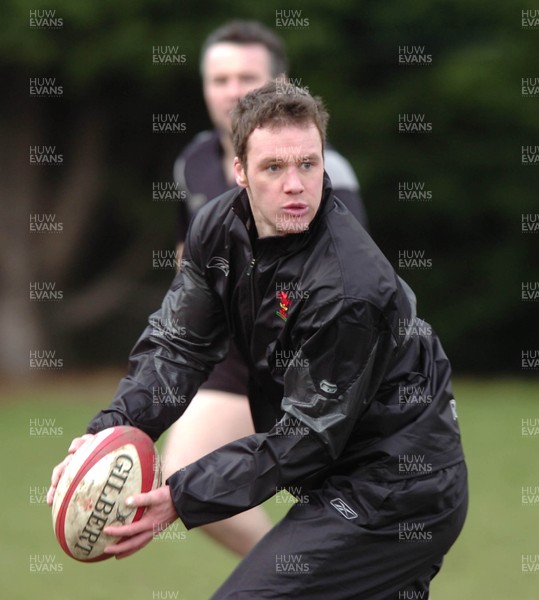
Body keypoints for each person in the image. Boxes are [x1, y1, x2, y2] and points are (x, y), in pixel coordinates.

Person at [48, 82, 467, 599]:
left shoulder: (349, 289)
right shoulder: (220, 228)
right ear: (240, 171)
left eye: (308, 165)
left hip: (397, 491)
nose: (295, 184)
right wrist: (112, 430)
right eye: (274, 167)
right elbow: (179, 345)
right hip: (342, 477)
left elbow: (306, 437)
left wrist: (181, 497)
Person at [164, 19, 367, 556]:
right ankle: (297, 573)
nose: (231, 90)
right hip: (233, 355)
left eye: (246, 77)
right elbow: (193, 256)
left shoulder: (327, 172)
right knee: (183, 476)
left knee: (342, 495)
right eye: (219, 78)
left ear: (279, 82)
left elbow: (349, 281)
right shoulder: (193, 163)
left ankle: (318, 575)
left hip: (309, 358)